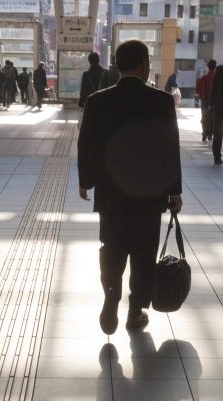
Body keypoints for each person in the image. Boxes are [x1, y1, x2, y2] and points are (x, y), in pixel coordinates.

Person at [77, 39, 182, 335]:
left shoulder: (98, 100)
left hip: (111, 194)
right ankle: (136, 311)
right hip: (150, 195)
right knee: (143, 253)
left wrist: (85, 181)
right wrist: (175, 190)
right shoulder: (161, 101)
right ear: (143, 65)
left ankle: (112, 292)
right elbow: (169, 149)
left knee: (112, 246)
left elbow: (86, 145)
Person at [196, 59, 216, 141]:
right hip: (214, 103)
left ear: (208, 66)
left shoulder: (203, 79)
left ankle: (204, 133)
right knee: (213, 119)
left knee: (204, 117)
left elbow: (197, 90)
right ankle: (210, 135)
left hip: (205, 101)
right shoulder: (218, 79)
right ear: (215, 67)